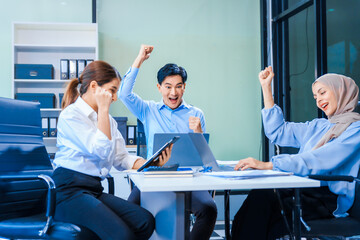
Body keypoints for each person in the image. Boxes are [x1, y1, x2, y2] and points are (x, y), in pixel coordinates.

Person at [231, 66, 360, 239]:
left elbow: (320, 159)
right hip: (303, 190)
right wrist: (266, 88)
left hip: (328, 198)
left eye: (322, 93)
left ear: (340, 91)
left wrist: (270, 164)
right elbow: (278, 131)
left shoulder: (355, 129)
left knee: (266, 201)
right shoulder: (319, 126)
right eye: (315, 96)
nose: (318, 100)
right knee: (261, 201)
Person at [52, 60, 172, 240]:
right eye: (113, 90)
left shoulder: (109, 120)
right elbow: (100, 151)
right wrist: (103, 108)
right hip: (68, 192)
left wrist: (150, 163)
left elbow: (121, 158)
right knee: (121, 235)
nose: (115, 97)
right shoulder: (71, 116)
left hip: (93, 189)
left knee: (144, 221)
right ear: (94, 87)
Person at [119, 45, 217, 240]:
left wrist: (198, 133)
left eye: (179, 86)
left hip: (188, 180)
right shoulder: (148, 110)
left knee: (209, 209)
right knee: (126, 215)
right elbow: (123, 94)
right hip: (152, 179)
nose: (174, 92)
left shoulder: (196, 114)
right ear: (159, 87)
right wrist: (139, 59)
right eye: (168, 86)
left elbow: (205, 160)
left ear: (184, 87)